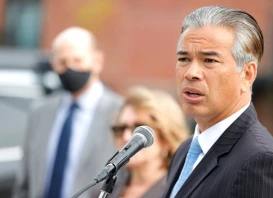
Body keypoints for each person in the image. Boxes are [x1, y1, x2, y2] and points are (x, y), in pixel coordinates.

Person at [162, 6, 273, 198]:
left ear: (247, 74)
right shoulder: (185, 151)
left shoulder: (260, 162)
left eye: (209, 61)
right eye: (184, 58)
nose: (191, 73)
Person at [13, 27, 123, 198]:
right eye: (63, 62)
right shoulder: (39, 112)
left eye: (77, 60)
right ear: (53, 65)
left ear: (97, 61)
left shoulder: (120, 114)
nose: (70, 68)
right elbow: (24, 182)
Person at [108, 86, 190, 198]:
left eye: (139, 129)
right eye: (121, 128)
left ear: (166, 139)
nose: (126, 137)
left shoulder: (181, 191)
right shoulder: (104, 191)